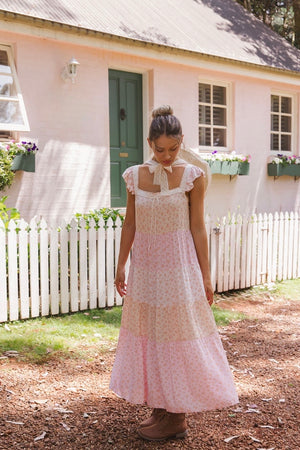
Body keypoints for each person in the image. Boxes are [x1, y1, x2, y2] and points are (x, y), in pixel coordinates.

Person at [110, 106, 238, 441]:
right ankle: (160, 408)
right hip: (146, 271)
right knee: (151, 335)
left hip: (178, 272)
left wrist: (206, 276)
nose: (166, 157)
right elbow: (130, 222)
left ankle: (176, 416)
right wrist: (121, 263)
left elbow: (198, 228)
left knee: (176, 338)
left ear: (181, 142)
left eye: (173, 149)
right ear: (150, 143)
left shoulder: (192, 176)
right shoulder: (135, 176)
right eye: (159, 149)